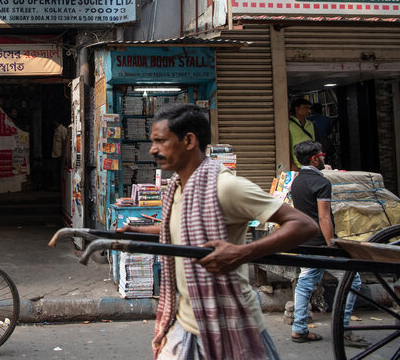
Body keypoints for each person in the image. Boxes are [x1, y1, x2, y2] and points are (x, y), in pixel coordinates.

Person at [121, 103, 317, 359]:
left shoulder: (225, 187)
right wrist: (137, 231)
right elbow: (179, 232)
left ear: (189, 140)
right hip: (185, 323)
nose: (153, 150)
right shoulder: (177, 188)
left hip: (230, 322)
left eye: (160, 141)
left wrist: (243, 252)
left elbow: (304, 225)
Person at [290, 140, 367, 348]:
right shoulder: (321, 183)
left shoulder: (297, 181)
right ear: (314, 159)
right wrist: (331, 245)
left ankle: (299, 329)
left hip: (306, 240)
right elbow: (324, 218)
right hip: (321, 243)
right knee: (354, 281)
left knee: (305, 284)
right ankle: (343, 329)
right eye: (322, 155)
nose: (325, 158)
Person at [289, 98, 315, 170]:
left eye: (309, 108)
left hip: (311, 163)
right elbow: (285, 146)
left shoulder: (310, 124)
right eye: (305, 108)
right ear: (297, 109)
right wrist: (292, 164)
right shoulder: (288, 124)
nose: (309, 111)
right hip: (296, 164)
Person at [51, 117, 69, 191]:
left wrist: (64, 156)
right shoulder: (56, 130)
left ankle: (59, 186)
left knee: (58, 171)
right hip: (55, 154)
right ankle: (57, 185)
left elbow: (65, 143)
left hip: (60, 155)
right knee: (55, 170)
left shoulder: (63, 130)